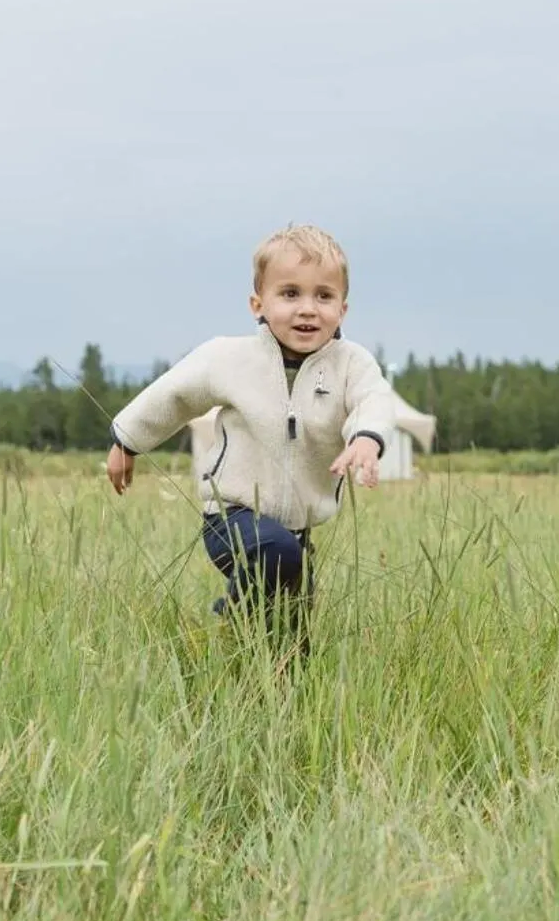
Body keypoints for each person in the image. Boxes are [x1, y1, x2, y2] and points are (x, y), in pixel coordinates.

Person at [105, 225, 395, 656]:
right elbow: (173, 394)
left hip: (297, 533)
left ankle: (273, 687)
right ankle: (231, 621)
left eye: (323, 296)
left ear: (344, 308)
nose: (308, 310)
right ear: (258, 304)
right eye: (290, 294)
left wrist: (367, 439)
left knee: (294, 638)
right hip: (231, 515)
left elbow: (375, 399)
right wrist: (126, 442)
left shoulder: (350, 364)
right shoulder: (230, 358)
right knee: (275, 553)